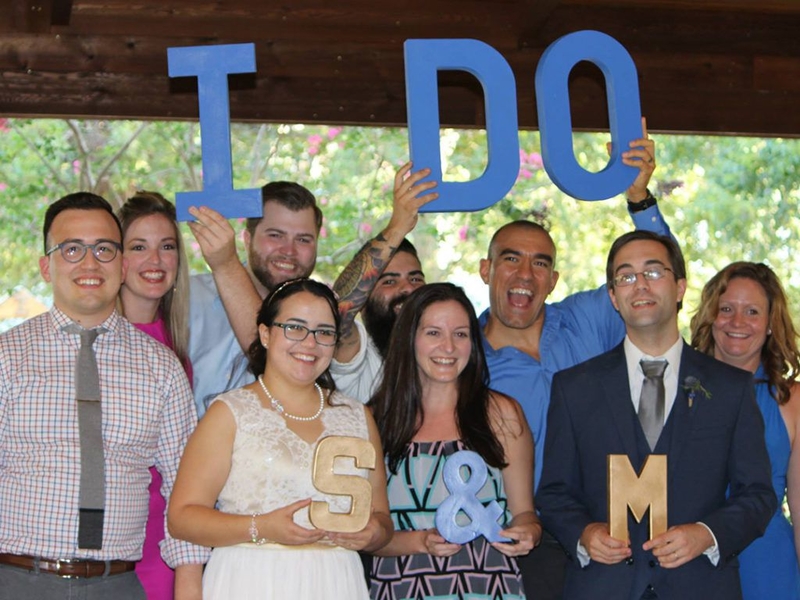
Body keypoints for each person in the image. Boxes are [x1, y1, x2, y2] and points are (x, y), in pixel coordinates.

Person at [478, 126, 671, 598]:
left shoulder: (587, 319)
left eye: (540, 263)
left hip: (610, 538)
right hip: (518, 543)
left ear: (554, 278)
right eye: (510, 259)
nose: (525, 273)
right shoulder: (462, 360)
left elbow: (654, 280)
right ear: (486, 270)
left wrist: (640, 198)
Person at [537, 231, 776, 600]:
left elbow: (758, 494)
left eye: (653, 272)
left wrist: (706, 535)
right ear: (614, 297)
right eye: (626, 276)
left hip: (699, 586)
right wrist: (584, 535)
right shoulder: (574, 388)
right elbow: (554, 493)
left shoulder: (731, 388)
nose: (640, 285)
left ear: (680, 287)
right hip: (602, 588)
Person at [0, 192, 207, 599]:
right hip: (16, 579)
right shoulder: (8, 358)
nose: (90, 263)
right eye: (72, 249)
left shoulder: (161, 368)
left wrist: (189, 588)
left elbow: (186, 490)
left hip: (120, 585)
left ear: (123, 264)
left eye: (104, 249)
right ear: (46, 266)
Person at [168, 278, 393, 599]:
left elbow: (382, 518)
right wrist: (261, 527)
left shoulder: (357, 416)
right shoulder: (230, 412)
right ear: (265, 334)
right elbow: (182, 518)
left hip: (336, 581)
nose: (309, 343)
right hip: (252, 578)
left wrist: (373, 534)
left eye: (324, 332)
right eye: (295, 328)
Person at [369, 282, 540, 599]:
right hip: (403, 588)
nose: (448, 347)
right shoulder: (374, 420)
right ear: (409, 339)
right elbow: (365, 534)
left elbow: (525, 514)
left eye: (460, 334)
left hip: (488, 587)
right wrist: (419, 541)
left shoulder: (502, 414)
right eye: (433, 333)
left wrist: (529, 532)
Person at [690, 261, 800, 599]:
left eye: (752, 311)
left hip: (768, 564)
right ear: (711, 317)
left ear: (770, 324)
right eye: (726, 309)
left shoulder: (792, 400)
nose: (737, 322)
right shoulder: (678, 391)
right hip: (690, 562)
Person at [187, 181, 322, 415]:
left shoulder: (321, 318)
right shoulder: (189, 297)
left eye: (303, 239)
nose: (288, 251)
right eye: (275, 235)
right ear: (247, 239)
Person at [118, 191, 193, 599]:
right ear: (118, 257)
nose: (156, 261)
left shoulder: (176, 346)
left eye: (167, 246)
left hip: (168, 540)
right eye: (139, 247)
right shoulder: (98, 341)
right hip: (112, 541)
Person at [332, 161, 437, 403]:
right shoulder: (356, 355)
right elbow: (334, 313)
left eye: (415, 278)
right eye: (389, 281)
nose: (407, 289)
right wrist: (398, 226)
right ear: (364, 297)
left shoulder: (445, 354)